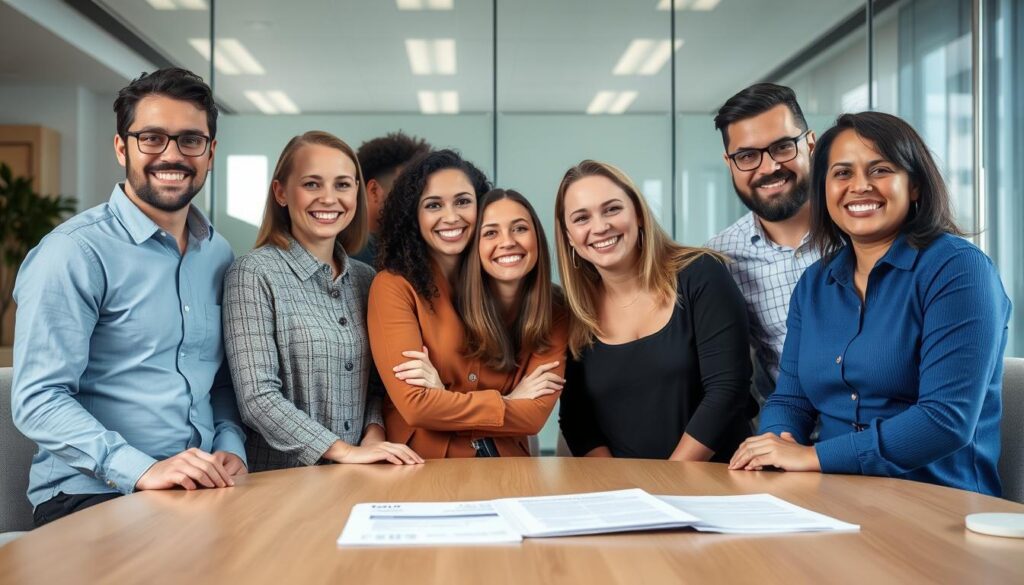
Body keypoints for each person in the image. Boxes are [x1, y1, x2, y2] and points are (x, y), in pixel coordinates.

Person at [729, 112, 1011, 497]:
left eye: (880, 170)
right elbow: (790, 398)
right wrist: (776, 446)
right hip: (834, 496)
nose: (859, 186)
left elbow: (945, 420)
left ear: (914, 186)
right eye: (842, 173)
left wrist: (812, 458)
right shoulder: (815, 283)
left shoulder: (958, 269)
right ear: (824, 190)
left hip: (939, 501)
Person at [12, 68, 247, 526]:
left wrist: (229, 446)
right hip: (91, 495)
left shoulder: (217, 253)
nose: (172, 155)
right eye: (152, 138)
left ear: (211, 152)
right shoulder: (74, 252)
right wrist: (144, 470)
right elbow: (38, 398)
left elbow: (217, 380)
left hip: (196, 489)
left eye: (190, 140)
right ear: (122, 147)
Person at [222, 131, 423, 471]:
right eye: (312, 184)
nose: (329, 198)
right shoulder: (253, 273)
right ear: (281, 192)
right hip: (281, 485)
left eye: (343, 185)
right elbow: (257, 398)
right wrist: (343, 450)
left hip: (360, 476)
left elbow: (376, 384)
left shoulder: (366, 279)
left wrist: (374, 435)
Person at [367, 151, 563, 458]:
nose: (451, 216)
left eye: (462, 201)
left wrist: (444, 397)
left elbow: (534, 416)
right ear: (412, 216)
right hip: (422, 465)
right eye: (433, 205)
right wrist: (508, 402)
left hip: (504, 465)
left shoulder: (520, 289)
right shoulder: (394, 287)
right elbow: (416, 405)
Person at [556, 160, 753, 462]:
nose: (600, 226)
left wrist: (666, 481)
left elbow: (727, 391)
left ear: (637, 213)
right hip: (627, 494)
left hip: (717, 484)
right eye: (581, 218)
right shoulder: (575, 313)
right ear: (569, 236)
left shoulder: (701, 274)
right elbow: (577, 421)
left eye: (612, 209)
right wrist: (618, 490)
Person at [705, 83, 819, 404]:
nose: (769, 167)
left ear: (811, 144)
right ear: (729, 163)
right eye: (747, 156)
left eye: (783, 147)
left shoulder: (858, 230)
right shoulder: (720, 258)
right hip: (788, 435)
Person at [351, 131, 431, 266]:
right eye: (409, 191)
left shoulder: (413, 250)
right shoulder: (351, 257)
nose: (419, 201)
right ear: (374, 191)